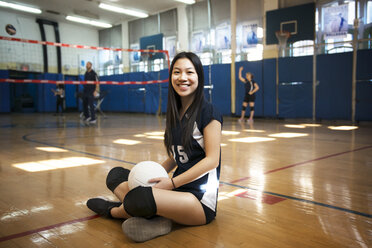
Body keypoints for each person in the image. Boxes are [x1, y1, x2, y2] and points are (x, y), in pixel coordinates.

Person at [86, 52, 223, 242]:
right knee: (116, 175)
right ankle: (159, 219)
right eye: (177, 72)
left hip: (198, 202)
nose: (183, 77)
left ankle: (116, 211)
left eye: (189, 72)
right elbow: (178, 156)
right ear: (171, 77)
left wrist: (172, 183)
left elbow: (212, 160)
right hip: (174, 192)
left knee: (139, 197)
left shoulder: (209, 111)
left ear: (199, 76)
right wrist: (153, 175)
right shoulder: (175, 114)